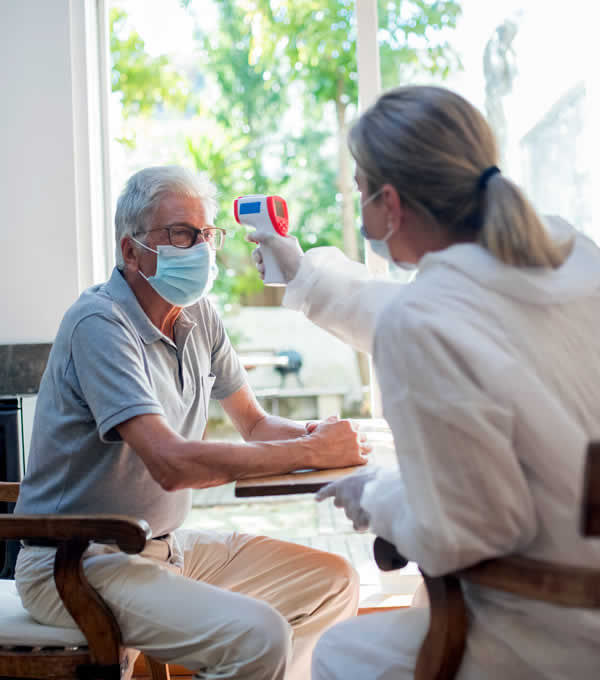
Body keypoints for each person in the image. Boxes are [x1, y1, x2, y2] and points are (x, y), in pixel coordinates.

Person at [249, 85, 600, 679]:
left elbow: (461, 537)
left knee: (339, 654)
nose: (360, 211)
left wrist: (377, 496)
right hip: (580, 580)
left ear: (389, 203)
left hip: (556, 623)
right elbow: (438, 313)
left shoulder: (424, 321)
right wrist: (304, 275)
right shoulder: (571, 256)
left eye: (359, 190)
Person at [14, 165, 371, 680]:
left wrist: (323, 437)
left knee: (333, 582)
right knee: (259, 635)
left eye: (206, 234)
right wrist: (310, 452)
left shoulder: (198, 315)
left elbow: (254, 424)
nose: (201, 248)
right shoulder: (99, 323)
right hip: (73, 563)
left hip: (161, 546)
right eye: (181, 234)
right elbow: (170, 464)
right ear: (131, 250)